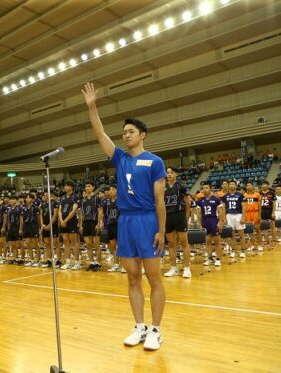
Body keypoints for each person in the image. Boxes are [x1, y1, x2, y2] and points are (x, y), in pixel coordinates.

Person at [83, 82, 166, 351]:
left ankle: (155, 329)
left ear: (143, 135)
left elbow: (160, 200)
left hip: (147, 219)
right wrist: (92, 106)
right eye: (124, 132)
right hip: (126, 220)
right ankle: (139, 326)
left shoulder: (154, 162)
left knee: (154, 277)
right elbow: (99, 134)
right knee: (132, 276)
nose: (126, 135)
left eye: (131, 131)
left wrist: (161, 230)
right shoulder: (120, 158)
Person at [163, 167, 192, 279]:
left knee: (184, 242)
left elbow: (187, 204)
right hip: (168, 217)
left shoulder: (181, 187)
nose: (169, 174)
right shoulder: (163, 187)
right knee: (171, 244)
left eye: (172, 173)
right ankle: (173, 268)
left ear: (176, 174)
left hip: (179, 216)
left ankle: (187, 268)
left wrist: (186, 218)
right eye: (168, 173)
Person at [196, 182, 225, 266]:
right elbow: (199, 214)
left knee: (217, 241)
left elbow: (221, 212)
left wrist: (220, 223)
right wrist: (200, 224)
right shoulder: (200, 201)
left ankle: (218, 259)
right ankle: (209, 258)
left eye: (207, 188)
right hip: (205, 221)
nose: (205, 190)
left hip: (214, 220)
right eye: (203, 188)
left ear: (210, 189)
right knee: (208, 241)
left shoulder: (216, 199)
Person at [79, 181, 104, 271]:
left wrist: (99, 223)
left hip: (94, 222)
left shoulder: (97, 198)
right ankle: (91, 262)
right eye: (86, 186)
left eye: (89, 186)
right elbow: (81, 213)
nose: (87, 188)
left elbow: (100, 211)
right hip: (85, 223)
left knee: (97, 244)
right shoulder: (83, 200)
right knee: (88, 245)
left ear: (93, 187)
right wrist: (81, 225)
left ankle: (98, 263)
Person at [58, 180, 80, 270]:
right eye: (65, 186)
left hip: (72, 222)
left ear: (71, 187)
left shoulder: (75, 197)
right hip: (63, 222)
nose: (65, 187)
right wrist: (61, 220)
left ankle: (77, 262)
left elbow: (74, 210)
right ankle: (68, 262)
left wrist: (65, 220)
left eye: (67, 186)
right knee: (65, 242)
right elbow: (59, 210)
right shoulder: (62, 198)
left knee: (74, 242)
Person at [222, 181, 247, 258]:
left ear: (236, 186)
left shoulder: (240, 195)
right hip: (229, 215)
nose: (231, 185)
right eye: (230, 184)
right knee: (231, 235)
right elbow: (223, 208)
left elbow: (244, 207)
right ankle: (233, 251)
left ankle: (243, 251)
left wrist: (243, 217)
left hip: (238, 215)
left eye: (233, 184)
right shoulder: (225, 196)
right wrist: (224, 218)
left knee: (241, 235)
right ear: (228, 186)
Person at [104, 185, 124, 273]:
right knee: (114, 246)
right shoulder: (108, 201)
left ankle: (123, 265)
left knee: (121, 246)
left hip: (119, 225)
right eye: (110, 189)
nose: (111, 191)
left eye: (113, 189)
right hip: (110, 225)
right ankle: (116, 265)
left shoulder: (121, 200)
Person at [40, 191, 60, 268]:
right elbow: (41, 216)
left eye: (46, 194)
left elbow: (55, 215)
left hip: (53, 225)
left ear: (50, 195)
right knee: (47, 244)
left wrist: (50, 225)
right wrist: (42, 224)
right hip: (45, 226)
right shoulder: (43, 204)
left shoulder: (55, 203)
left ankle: (58, 260)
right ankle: (49, 260)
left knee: (56, 243)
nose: (44, 196)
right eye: (44, 195)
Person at [20, 193, 41, 266]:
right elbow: (22, 219)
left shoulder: (36, 208)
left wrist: (40, 228)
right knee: (28, 244)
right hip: (26, 227)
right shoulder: (23, 207)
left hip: (34, 226)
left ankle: (38, 260)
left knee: (35, 244)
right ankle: (31, 260)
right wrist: (21, 228)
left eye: (29, 198)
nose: (27, 199)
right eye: (26, 198)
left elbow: (38, 219)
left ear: (32, 199)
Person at [243, 181, 262, 252]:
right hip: (247, 214)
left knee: (258, 230)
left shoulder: (257, 195)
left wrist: (259, 215)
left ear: (253, 186)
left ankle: (260, 245)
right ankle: (252, 245)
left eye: (250, 185)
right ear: (246, 187)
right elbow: (243, 206)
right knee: (249, 230)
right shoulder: (244, 195)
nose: (249, 186)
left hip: (255, 213)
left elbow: (260, 206)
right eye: (247, 185)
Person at [259, 181, 276, 249]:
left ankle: (273, 240)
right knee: (262, 226)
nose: (264, 185)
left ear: (268, 185)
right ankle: (264, 240)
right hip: (262, 210)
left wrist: (273, 212)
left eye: (265, 184)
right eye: (263, 184)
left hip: (269, 210)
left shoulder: (272, 193)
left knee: (272, 225)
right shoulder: (259, 193)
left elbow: (274, 203)